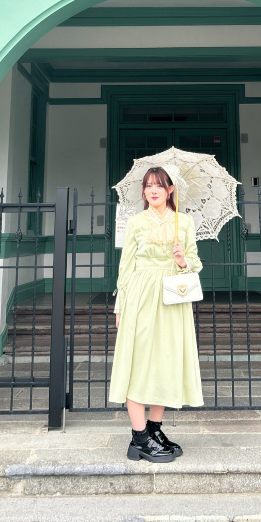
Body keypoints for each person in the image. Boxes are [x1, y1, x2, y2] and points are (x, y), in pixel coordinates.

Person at [110, 166, 204, 463]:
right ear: (143, 191)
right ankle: (139, 438)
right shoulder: (135, 222)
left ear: (170, 190)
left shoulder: (184, 222)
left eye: (159, 186)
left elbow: (195, 264)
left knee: (166, 360)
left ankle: (154, 429)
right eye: (148, 186)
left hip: (173, 298)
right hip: (141, 296)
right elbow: (126, 267)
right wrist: (120, 305)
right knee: (138, 361)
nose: (153, 190)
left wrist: (181, 260)